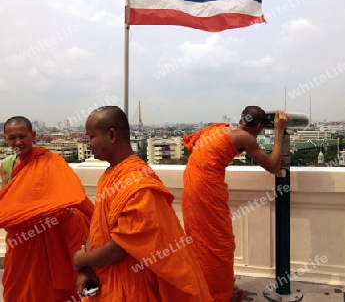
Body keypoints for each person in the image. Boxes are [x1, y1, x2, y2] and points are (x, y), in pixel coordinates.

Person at [72, 106, 212, 302]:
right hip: (104, 276)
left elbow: (121, 246)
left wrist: (82, 259)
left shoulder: (137, 182)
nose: (88, 143)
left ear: (112, 135)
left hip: (131, 281)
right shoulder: (110, 174)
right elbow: (97, 225)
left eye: (91, 136)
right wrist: (87, 266)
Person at [182, 106, 289, 302]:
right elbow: (273, 166)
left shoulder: (221, 128)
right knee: (219, 244)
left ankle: (205, 289)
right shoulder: (245, 137)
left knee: (201, 242)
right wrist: (279, 130)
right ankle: (217, 295)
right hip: (206, 188)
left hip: (191, 184)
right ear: (258, 127)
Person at [0, 116, 94, 302]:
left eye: (23, 136)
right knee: (18, 285)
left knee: (50, 285)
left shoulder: (51, 161)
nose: (18, 142)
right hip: (21, 238)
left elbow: (70, 194)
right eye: (12, 138)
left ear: (33, 135)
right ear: (5, 139)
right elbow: (7, 201)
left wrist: (62, 209)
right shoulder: (7, 165)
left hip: (51, 232)